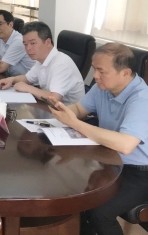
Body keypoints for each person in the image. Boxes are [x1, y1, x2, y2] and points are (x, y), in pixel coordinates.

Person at [48, 43, 148, 235]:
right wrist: (64, 111)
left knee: (100, 213)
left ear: (125, 73)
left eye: (101, 71)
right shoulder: (103, 87)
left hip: (139, 172)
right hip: (109, 160)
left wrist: (75, 123)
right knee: (76, 196)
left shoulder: (142, 99)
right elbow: (79, 109)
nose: (95, 76)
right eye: (94, 69)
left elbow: (126, 145)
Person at [0, 21, 84, 104]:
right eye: (25, 44)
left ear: (48, 42)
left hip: (70, 113)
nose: (28, 48)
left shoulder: (61, 64)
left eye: (33, 43)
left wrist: (27, 88)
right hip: (50, 108)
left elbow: (54, 98)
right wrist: (11, 80)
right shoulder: (41, 60)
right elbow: (27, 79)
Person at [0, 10, 35, 76]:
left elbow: (0, 69)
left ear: (10, 24)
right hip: (10, 78)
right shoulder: (0, 39)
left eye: (0, 24)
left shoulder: (19, 41)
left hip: (27, 81)